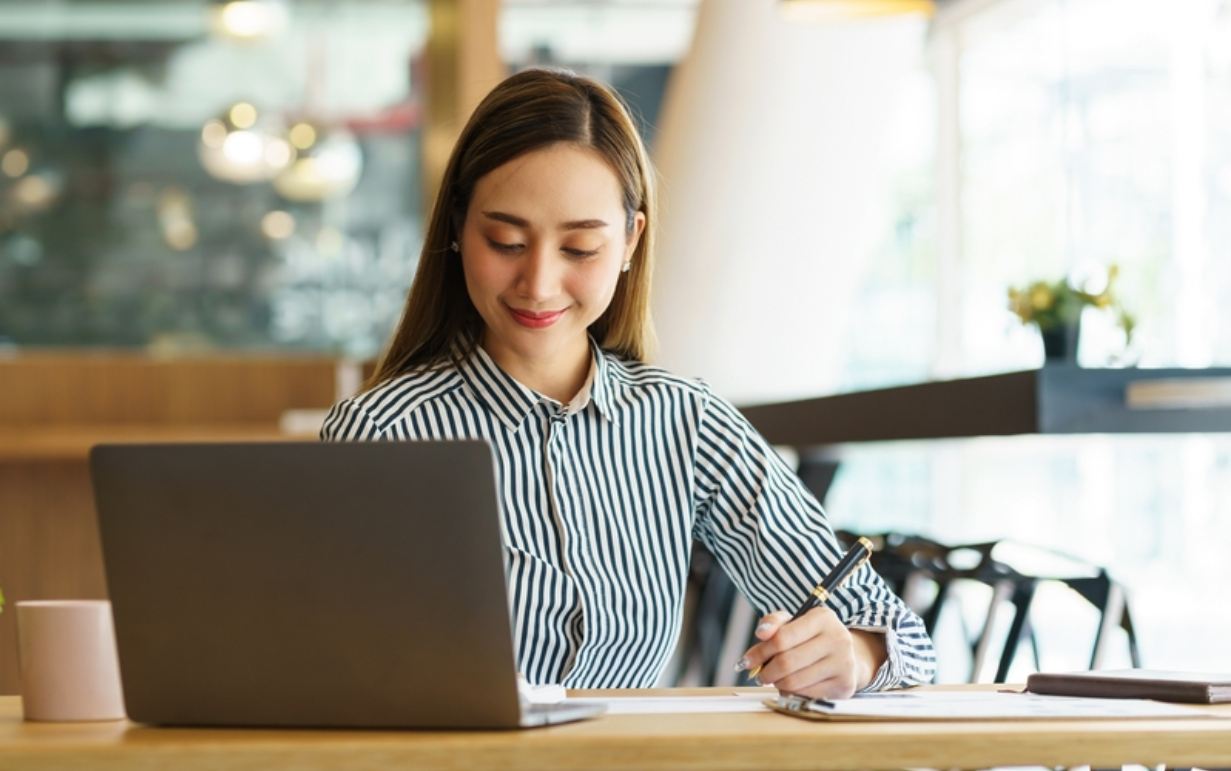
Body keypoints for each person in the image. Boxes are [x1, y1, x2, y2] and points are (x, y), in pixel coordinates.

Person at [321, 68, 935, 697]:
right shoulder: (380, 435)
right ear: (456, 228)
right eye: (505, 240)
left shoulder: (689, 423)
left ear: (629, 242)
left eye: (580, 248)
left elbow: (902, 638)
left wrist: (854, 655)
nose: (538, 283)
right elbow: (321, 667)